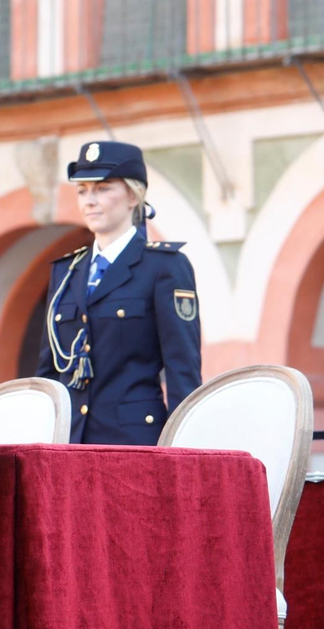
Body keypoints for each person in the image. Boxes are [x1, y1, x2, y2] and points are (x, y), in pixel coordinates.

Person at [35, 142, 202, 444]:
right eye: (83, 190)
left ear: (133, 195)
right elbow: (49, 371)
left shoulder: (164, 267)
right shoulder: (65, 271)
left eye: (103, 189)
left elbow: (183, 369)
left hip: (133, 442)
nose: (89, 200)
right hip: (68, 441)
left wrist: (184, 452)